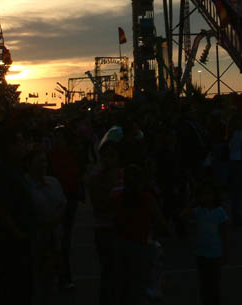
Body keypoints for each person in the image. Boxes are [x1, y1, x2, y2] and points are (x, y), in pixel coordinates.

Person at [0, 129, 37, 304]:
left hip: (19, 236)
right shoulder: (2, 171)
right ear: (9, 147)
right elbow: (1, 208)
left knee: (19, 284)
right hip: (11, 240)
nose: (23, 146)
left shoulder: (15, 169)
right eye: (19, 142)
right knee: (13, 285)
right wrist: (18, 234)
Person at [112, 163, 168, 305]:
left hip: (124, 246)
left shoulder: (119, 199)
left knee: (127, 287)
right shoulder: (146, 198)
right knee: (142, 286)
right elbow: (160, 221)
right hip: (141, 246)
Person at [25, 146, 67, 304]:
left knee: (52, 279)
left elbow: (62, 203)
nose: (43, 165)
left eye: (44, 161)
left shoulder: (53, 182)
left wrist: (55, 219)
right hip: (35, 240)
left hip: (54, 238)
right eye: (39, 161)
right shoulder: (25, 186)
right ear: (29, 164)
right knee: (36, 280)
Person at [88, 140, 124, 305]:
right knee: (109, 273)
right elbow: (99, 206)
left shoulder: (124, 177)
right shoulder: (96, 179)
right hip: (105, 229)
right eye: (106, 156)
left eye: (113, 156)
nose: (109, 159)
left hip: (124, 230)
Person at [49, 124, 84, 290]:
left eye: (60, 138)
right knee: (56, 239)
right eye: (55, 138)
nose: (57, 141)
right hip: (53, 201)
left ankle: (63, 275)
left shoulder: (72, 156)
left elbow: (76, 178)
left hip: (69, 200)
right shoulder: (50, 157)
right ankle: (59, 273)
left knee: (64, 240)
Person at [187, 180, 228, 305]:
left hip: (215, 254)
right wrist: (193, 203)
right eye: (203, 194)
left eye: (209, 194)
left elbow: (224, 233)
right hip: (201, 253)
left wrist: (225, 251)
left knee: (214, 284)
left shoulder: (219, 212)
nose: (207, 197)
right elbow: (183, 215)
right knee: (204, 284)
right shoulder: (199, 211)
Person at [227, 114, 242, 226]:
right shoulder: (239, 133)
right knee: (237, 192)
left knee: (234, 192)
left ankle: (234, 215)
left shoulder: (230, 134)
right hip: (238, 162)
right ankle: (237, 217)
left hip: (231, 162)